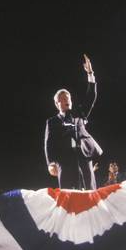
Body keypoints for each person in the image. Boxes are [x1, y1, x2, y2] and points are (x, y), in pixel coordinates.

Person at [44, 54, 103, 190]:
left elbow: (91, 96)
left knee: (90, 191)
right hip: (65, 161)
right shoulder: (52, 122)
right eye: (63, 99)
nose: (67, 101)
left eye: (69, 98)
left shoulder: (79, 114)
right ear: (57, 103)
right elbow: (49, 144)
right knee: (69, 194)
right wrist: (51, 163)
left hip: (84, 156)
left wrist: (90, 73)